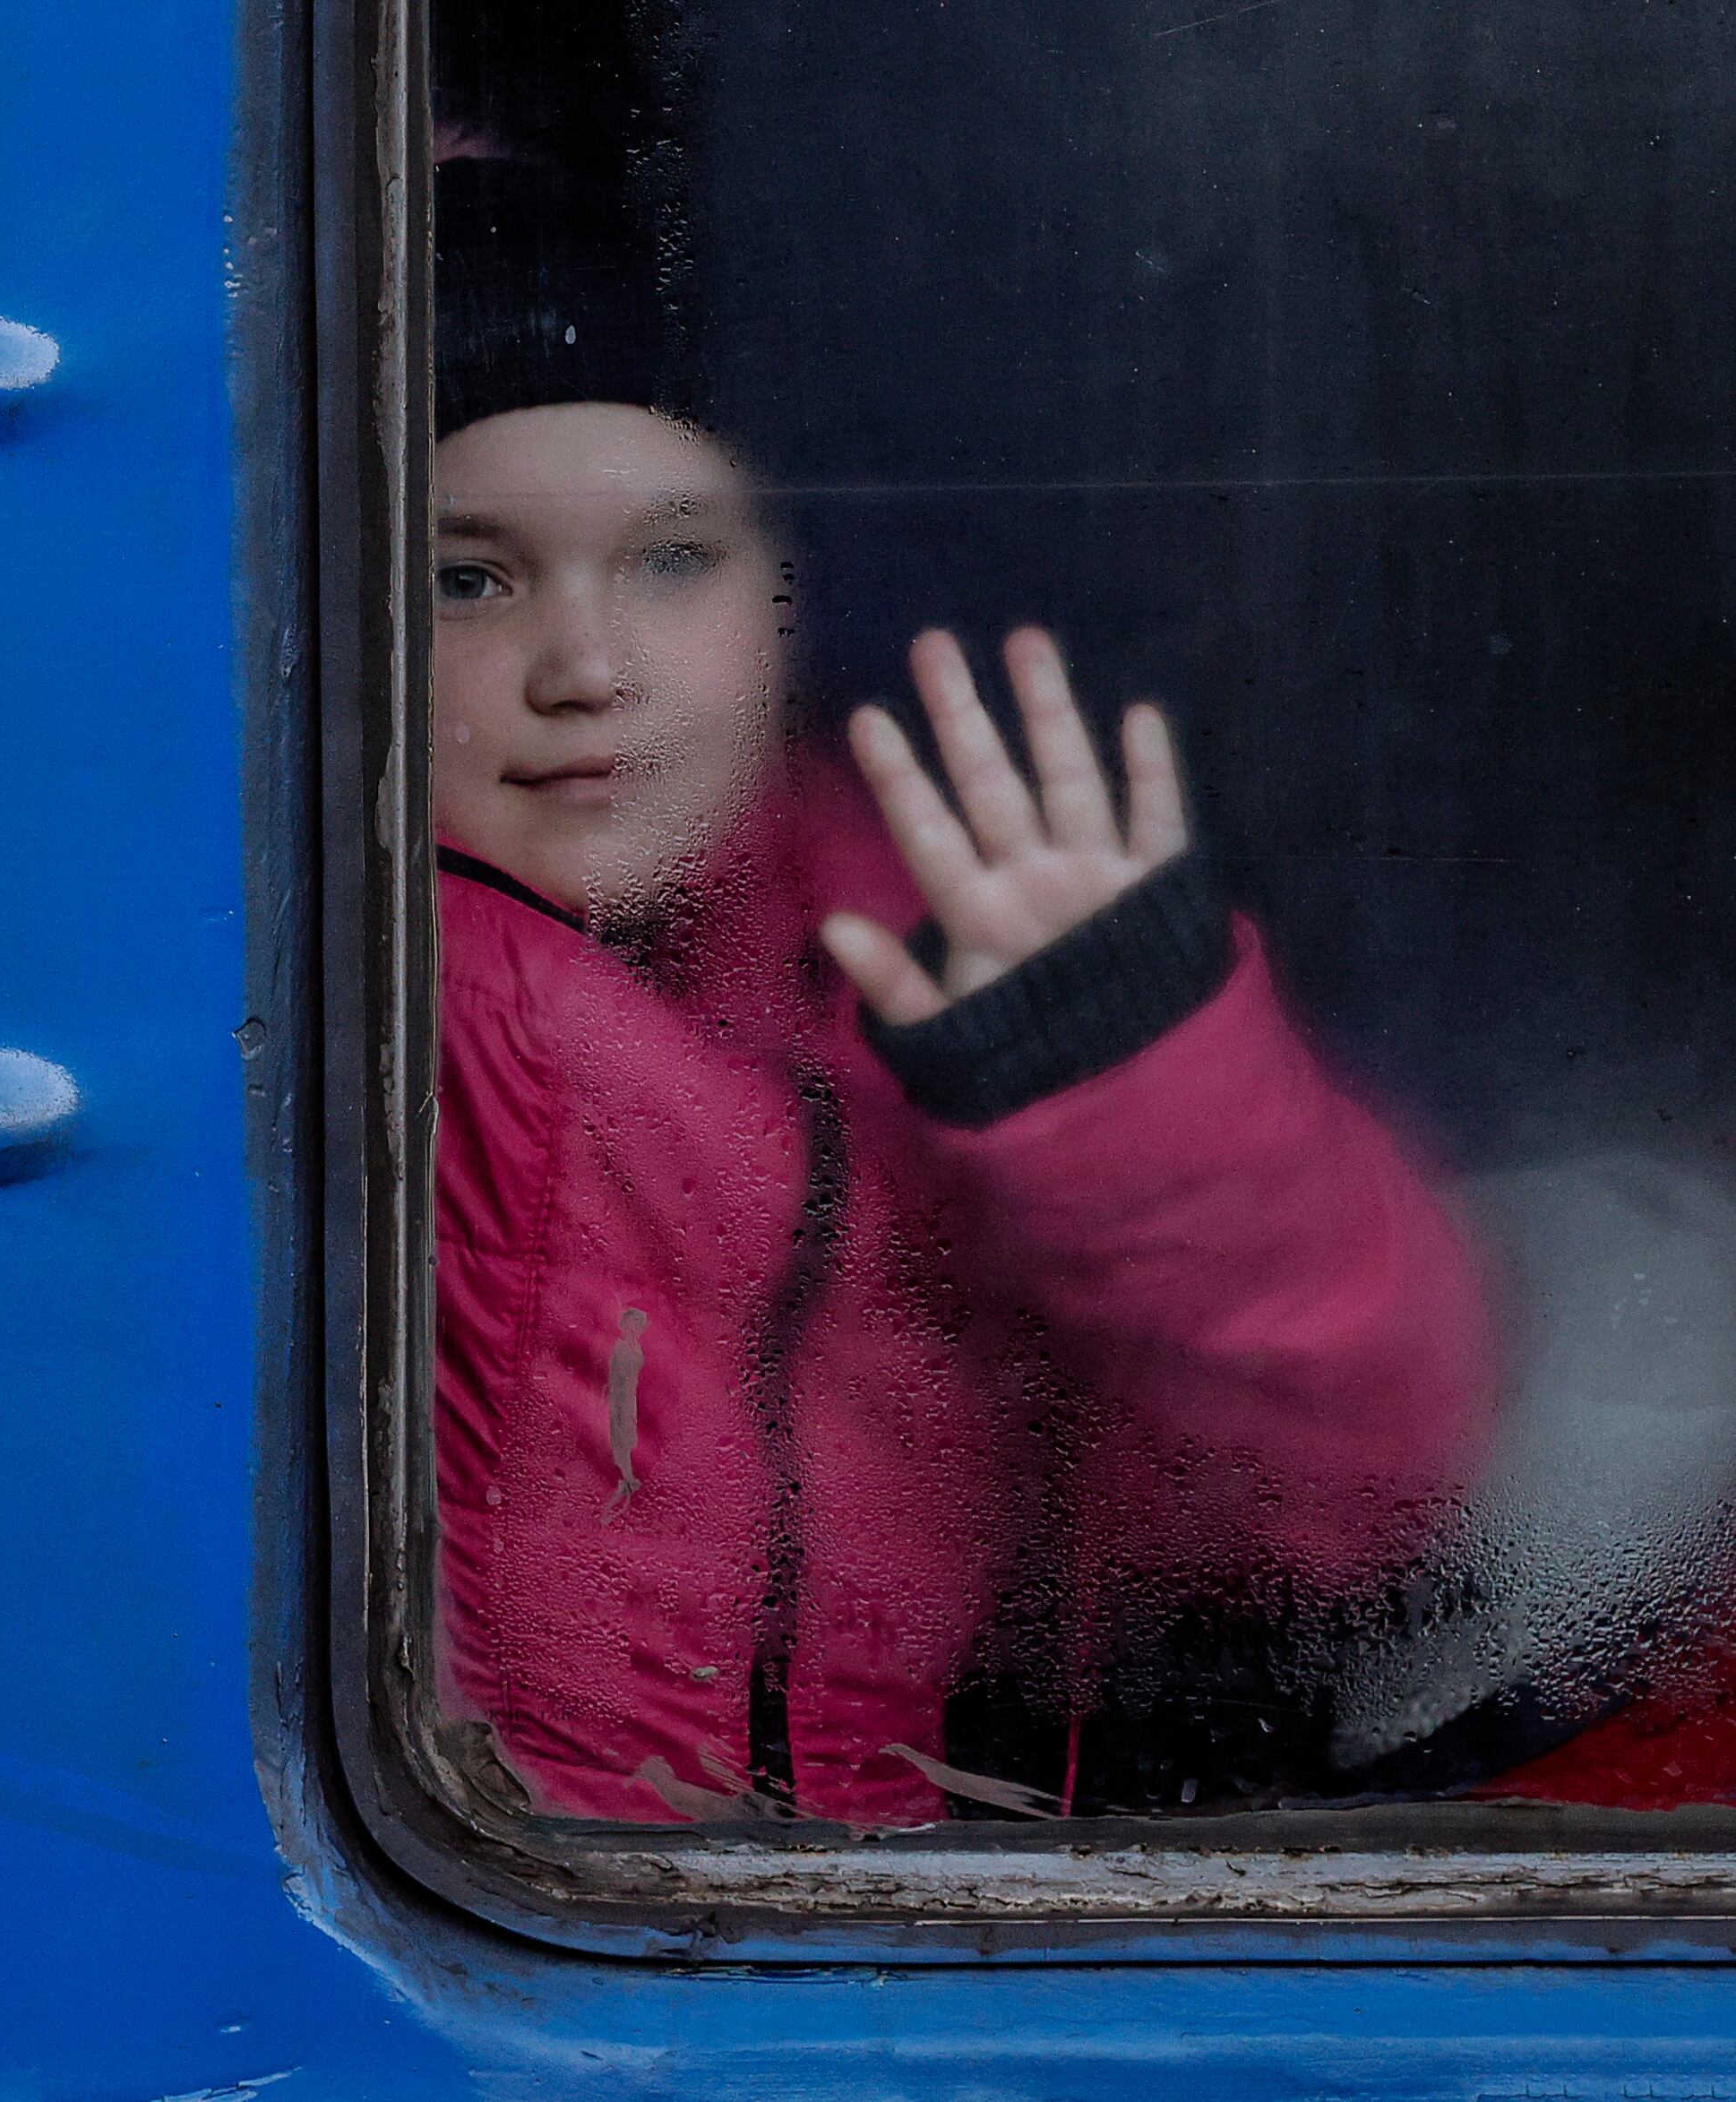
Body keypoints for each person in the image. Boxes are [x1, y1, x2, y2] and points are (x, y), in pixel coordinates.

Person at [428, 159, 1497, 1826]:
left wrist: (1124, 1088)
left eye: (673, 560)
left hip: (910, 1965)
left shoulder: (926, 958)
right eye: (468, 580)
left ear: (791, 599)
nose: (584, 668)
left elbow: (1350, 1494)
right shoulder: (332, 1006)